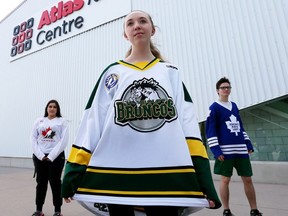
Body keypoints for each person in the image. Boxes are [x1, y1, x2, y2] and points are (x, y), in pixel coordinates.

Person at [61, 10, 221, 216]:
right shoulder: (112, 73)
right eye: (130, 23)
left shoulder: (170, 72)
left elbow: (188, 127)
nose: (136, 25)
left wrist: (204, 180)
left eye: (142, 21)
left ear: (152, 30)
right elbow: (92, 123)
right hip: (116, 177)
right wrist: (72, 173)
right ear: (125, 34)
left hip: (167, 176)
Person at [205, 77, 262, 216]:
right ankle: (226, 210)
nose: (226, 90)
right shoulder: (214, 108)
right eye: (223, 87)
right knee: (225, 180)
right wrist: (216, 150)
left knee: (248, 179)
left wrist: (248, 143)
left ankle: (254, 209)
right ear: (218, 91)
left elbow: (240, 126)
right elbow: (210, 130)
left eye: (228, 87)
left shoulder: (234, 106)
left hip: (241, 150)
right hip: (225, 151)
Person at [31, 99, 69, 216]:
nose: (52, 109)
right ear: (46, 108)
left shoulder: (62, 122)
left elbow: (63, 141)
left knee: (55, 182)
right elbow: (33, 139)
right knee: (41, 183)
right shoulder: (39, 121)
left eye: (54, 107)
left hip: (56, 157)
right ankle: (39, 210)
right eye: (50, 106)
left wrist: (51, 156)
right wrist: (41, 155)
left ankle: (58, 211)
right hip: (40, 157)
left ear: (57, 109)